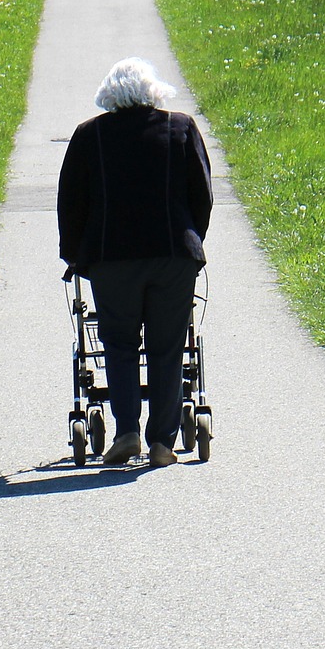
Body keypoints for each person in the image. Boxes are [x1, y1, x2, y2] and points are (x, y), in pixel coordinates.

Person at [57, 58, 212, 466]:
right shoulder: (180, 128)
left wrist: (76, 256)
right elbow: (202, 194)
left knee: (119, 344)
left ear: (109, 94)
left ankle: (126, 431)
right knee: (167, 346)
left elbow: (71, 203)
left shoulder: (89, 135)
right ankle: (162, 442)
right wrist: (192, 241)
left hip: (113, 259)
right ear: (153, 91)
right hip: (172, 255)